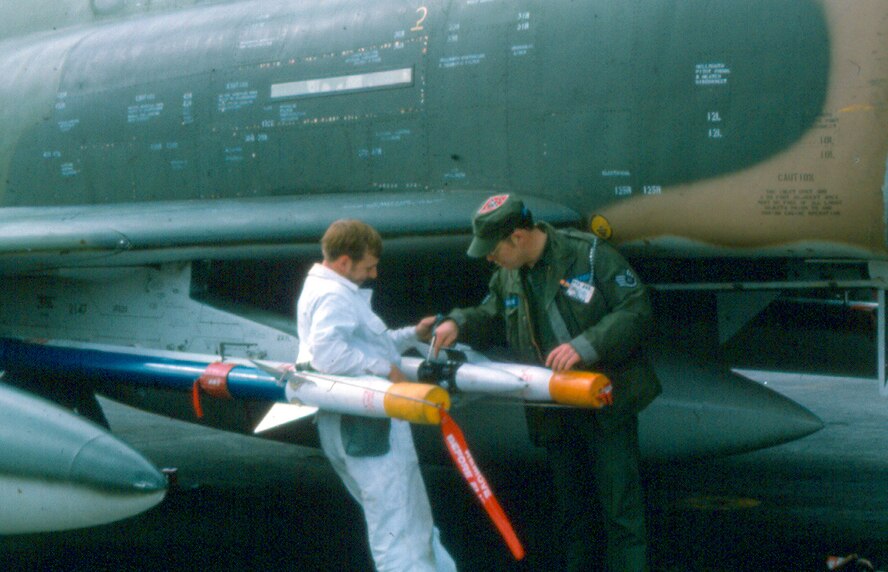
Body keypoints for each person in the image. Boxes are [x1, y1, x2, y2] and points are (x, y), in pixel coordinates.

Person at [427, 194, 661, 571]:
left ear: (517, 238)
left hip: (605, 403)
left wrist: (586, 347)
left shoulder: (586, 255)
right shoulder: (508, 273)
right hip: (554, 412)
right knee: (573, 514)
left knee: (621, 512)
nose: (489, 258)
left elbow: (635, 308)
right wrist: (458, 321)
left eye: (493, 249)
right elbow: (490, 313)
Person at [295, 219, 456, 572]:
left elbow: (367, 345)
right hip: (369, 432)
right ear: (343, 262)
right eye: (368, 266)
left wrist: (414, 333)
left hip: (352, 426)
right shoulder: (333, 296)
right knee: (399, 531)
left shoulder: (334, 291)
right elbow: (328, 356)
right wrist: (385, 371)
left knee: (410, 523)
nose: (374, 274)